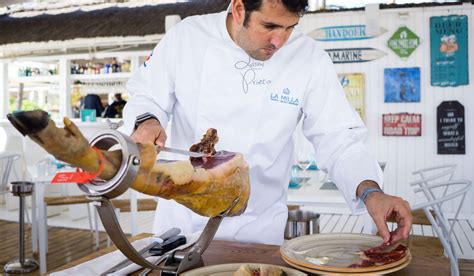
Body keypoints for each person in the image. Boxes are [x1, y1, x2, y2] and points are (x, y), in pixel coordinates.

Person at [123, 0, 412, 245]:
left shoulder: (308, 58)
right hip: (182, 227)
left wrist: (372, 192)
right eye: (269, 27)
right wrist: (147, 121)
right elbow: (146, 95)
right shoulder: (186, 38)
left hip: (259, 231)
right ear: (238, 9)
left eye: (290, 28)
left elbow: (337, 137)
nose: (279, 41)